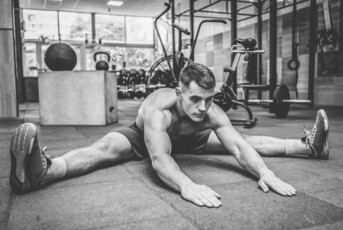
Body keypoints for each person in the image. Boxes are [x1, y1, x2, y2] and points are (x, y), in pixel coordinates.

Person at [9, 63, 329, 208]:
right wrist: (186, 185)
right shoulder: (157, 109)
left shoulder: (211, 111)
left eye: (209, 98)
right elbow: (160, 158)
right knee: (104, 147)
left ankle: (310, 147)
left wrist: (263, 172)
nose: (204, 107)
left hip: (193, 140)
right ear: (178, 92)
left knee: (247, 145)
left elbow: (240, 146)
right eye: (195, 99)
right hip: (141, 138)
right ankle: (44, 171)